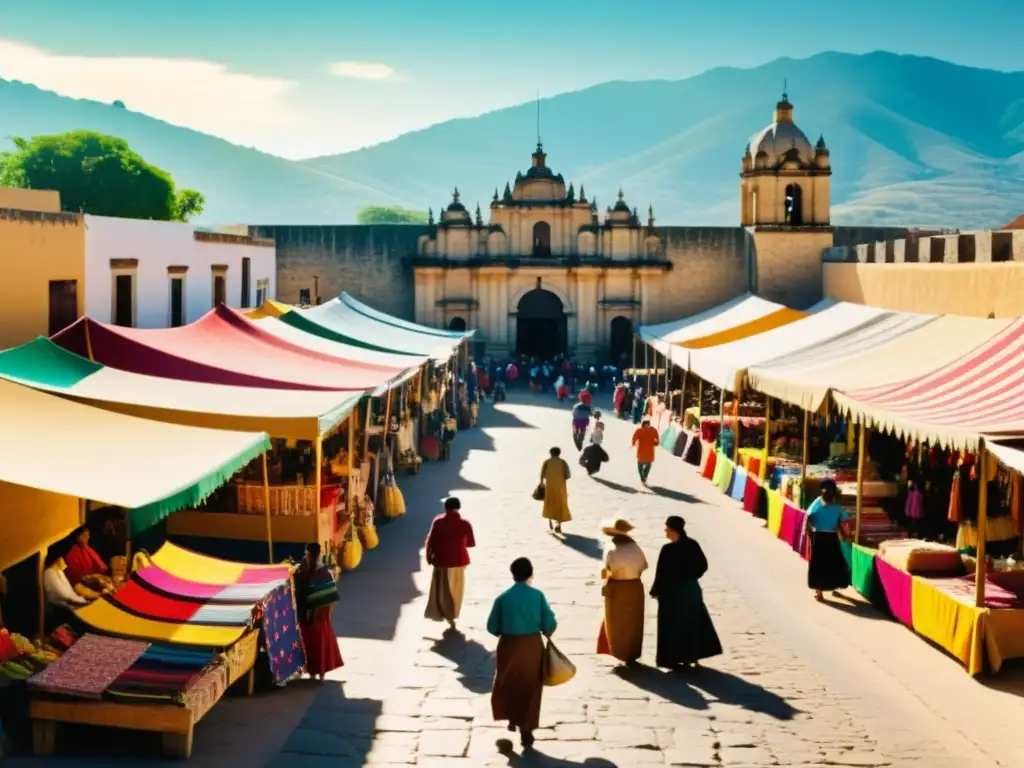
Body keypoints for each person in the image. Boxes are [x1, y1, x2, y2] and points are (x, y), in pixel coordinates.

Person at [487, 557, 557, 751]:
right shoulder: (537, 595)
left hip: (509, 645)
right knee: (530, 685)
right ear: (530, 573)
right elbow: (549, 624)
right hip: (531, 645)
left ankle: (512, 717)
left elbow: (492, 627)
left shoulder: (502, 598)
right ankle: (526, 729)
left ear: (513, 575)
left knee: (509, 682)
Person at [650, 516, 722, 670]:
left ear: (672, 530)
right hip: (690, 591)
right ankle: (690, 655)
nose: (665, 533)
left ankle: (673, 658)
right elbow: (703, 565)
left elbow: (660, 574)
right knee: (691, 622)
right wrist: (691, 577)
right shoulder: (692, 545)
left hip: (672, 593)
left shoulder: (668, 549)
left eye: (666, 529)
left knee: (672, 624)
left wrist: (656, 590)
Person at [596, 519, 648, 664]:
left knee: (616, 621)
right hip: (635, 587)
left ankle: (618, 650)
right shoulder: (635, 547)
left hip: (616, 588)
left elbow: (606, 570)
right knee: (634, 621)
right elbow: (643, 566)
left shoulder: (610, 548)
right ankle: (632, 652)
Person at [424, 497, 476, 631]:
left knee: (441, 589)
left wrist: (429, 556)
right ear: (458, 508)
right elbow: (471, 543)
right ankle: (453, 613)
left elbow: (431, 541)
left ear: (445, 508)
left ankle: (443, 611)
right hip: (459, 561)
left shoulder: (438, 521)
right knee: (456, 589)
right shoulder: (465, 523)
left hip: (441, 561)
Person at [293, 543, 344, 681]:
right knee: (321, 643)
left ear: (308, 553)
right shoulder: (324, 572)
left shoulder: (304, 570)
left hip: (308, 615)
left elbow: (299, 590)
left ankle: (312, 673)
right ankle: (320, 673)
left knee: (309, 643)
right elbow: (330, 595)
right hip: (321, 615)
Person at [804, 479, 852, 601]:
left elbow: (841, 520)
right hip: (824, 536)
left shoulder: (828, 503)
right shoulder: (823, 503)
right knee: (825, 563)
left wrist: (844, 534)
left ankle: (825, 589)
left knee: (826, 564)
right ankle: (824, 589)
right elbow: (808, 516)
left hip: (825, 537)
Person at [43, 554, 88, 631]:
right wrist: (82, 601)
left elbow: (69, 591)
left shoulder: (58, 571)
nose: (64, 562)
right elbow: (64, 594)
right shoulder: (49, 573)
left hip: (66, 604)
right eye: (62, 559)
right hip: (58, 608)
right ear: (57, 560)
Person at [539, 447, 572, 533]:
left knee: (550, 503)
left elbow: (542, 473)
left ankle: (550, 522)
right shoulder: (563, 462)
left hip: (550, 487)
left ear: (550, 453)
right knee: (560, 505)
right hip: (561, 487)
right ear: (559, 453)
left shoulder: (547, 462)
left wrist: (542, 482)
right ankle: (559, 524)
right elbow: (567, 475)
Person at [631, 418, 661, 485]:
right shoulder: (653, 430)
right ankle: (644, 476)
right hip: (649, 453)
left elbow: (634, 438)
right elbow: (657, 441)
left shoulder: (639, 430)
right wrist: (656, 443)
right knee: (648, 465)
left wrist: (633, 443)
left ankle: (642, 477)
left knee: (640, 465)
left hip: (641, 452)